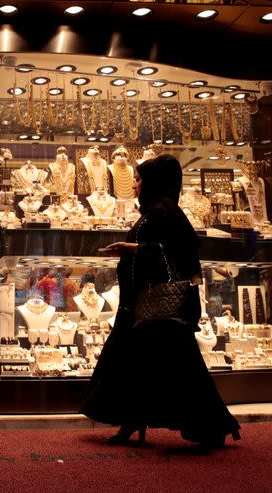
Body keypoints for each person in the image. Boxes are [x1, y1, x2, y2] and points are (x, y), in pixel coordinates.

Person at [80, 154, 240, 450]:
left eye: (140, 179)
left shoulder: (165, 211)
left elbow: (178, 252)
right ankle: (133, 421)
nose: (136, 185)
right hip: (141, 303)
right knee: (141, 364)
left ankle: (209, 425)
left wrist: (134, 248)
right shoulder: (157, 210)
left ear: (154, 182)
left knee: (178, 367)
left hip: (157, 305)